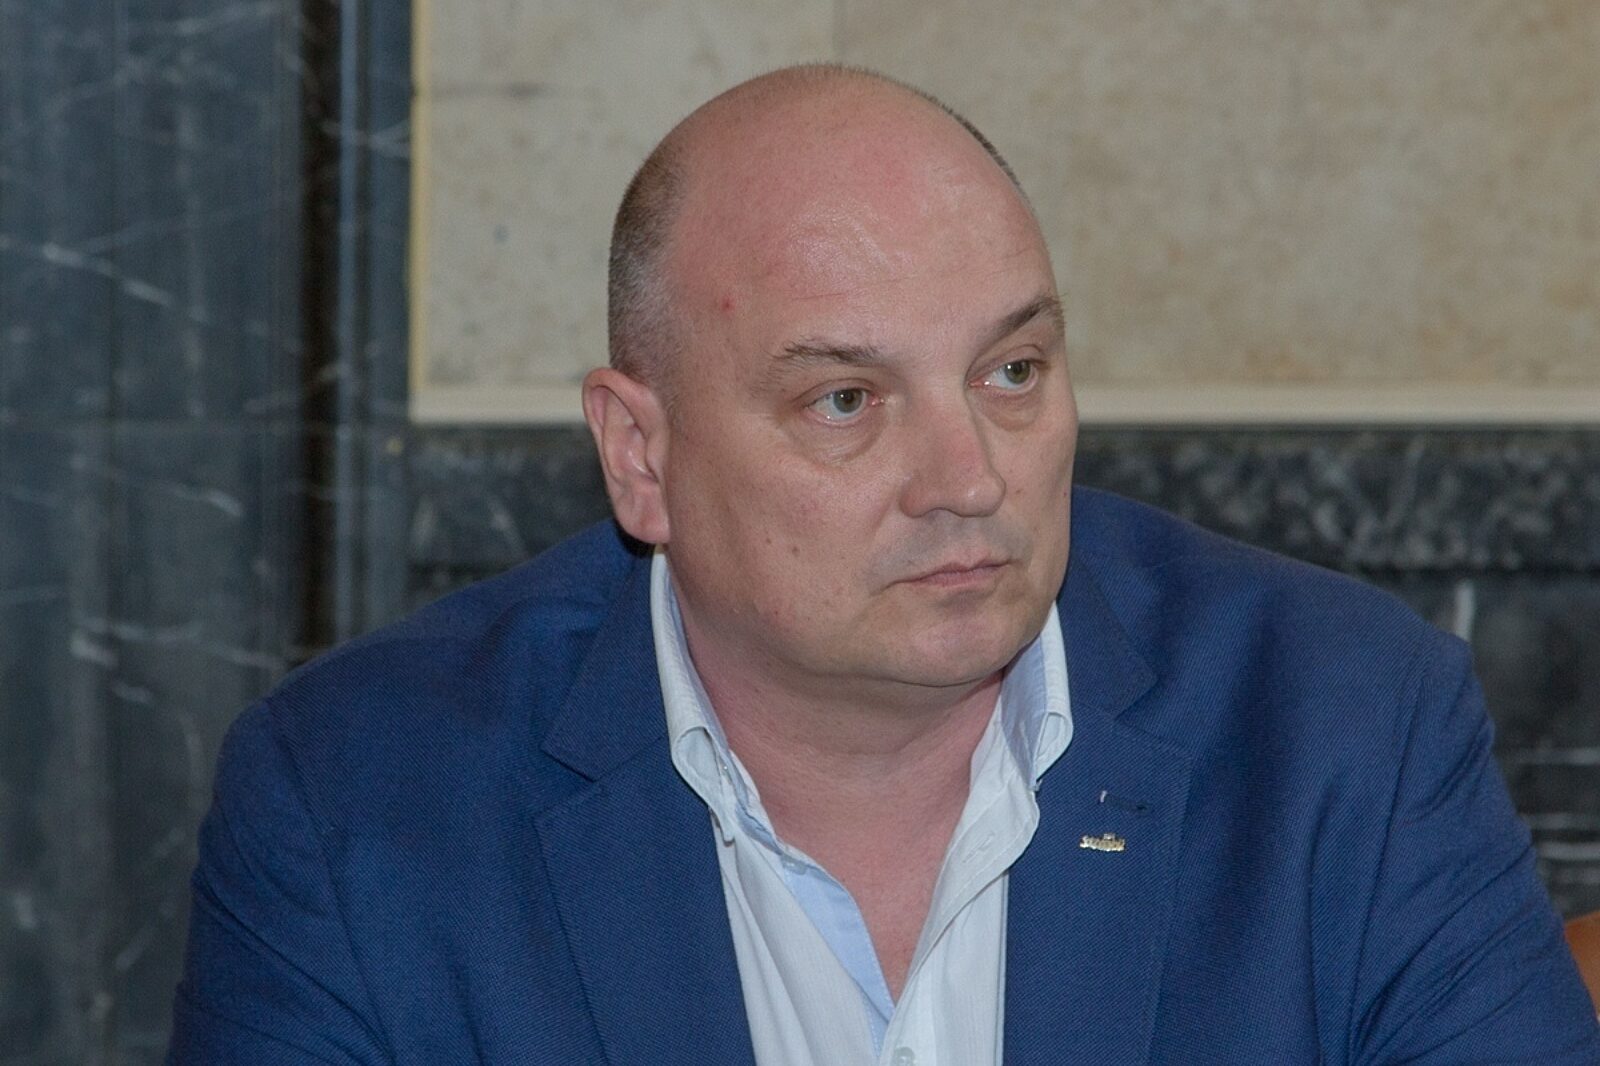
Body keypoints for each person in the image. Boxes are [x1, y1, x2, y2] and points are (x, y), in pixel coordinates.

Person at [167, 65, 1600, 1064]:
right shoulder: (359, 805)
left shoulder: (1349, 733)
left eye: (1012, 370)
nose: (969, 477)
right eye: (846, 400)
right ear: (641, 456)